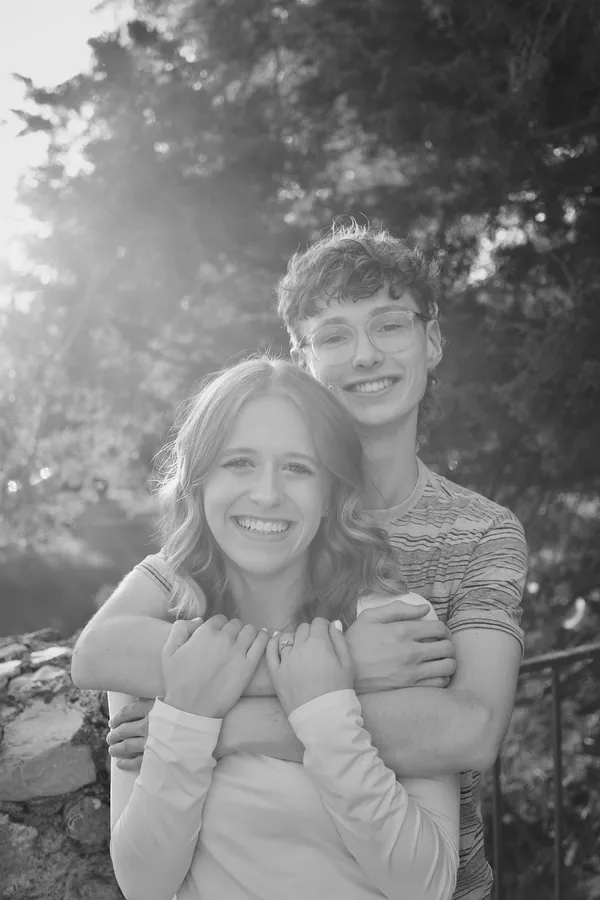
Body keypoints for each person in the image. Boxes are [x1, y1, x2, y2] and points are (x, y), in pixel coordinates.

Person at [72, 222, 527, 900]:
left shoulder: (482, 532)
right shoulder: (231, 539)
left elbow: (470, 731)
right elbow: (102, 651)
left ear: (431, 341)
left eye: (389, 326)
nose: (365, 355)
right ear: (303, 357)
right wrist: (344, 666)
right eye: (335, 335)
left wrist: (209, 719)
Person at [107, 356, 460, 900]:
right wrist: (187, 717)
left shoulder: (396, 629)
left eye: (298, 467)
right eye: (239, 462)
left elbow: (429, 886)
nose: (267, 494)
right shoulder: (158, 636)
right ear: (198, 484)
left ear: (331, 495)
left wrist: (325, 712)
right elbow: (143, 885)